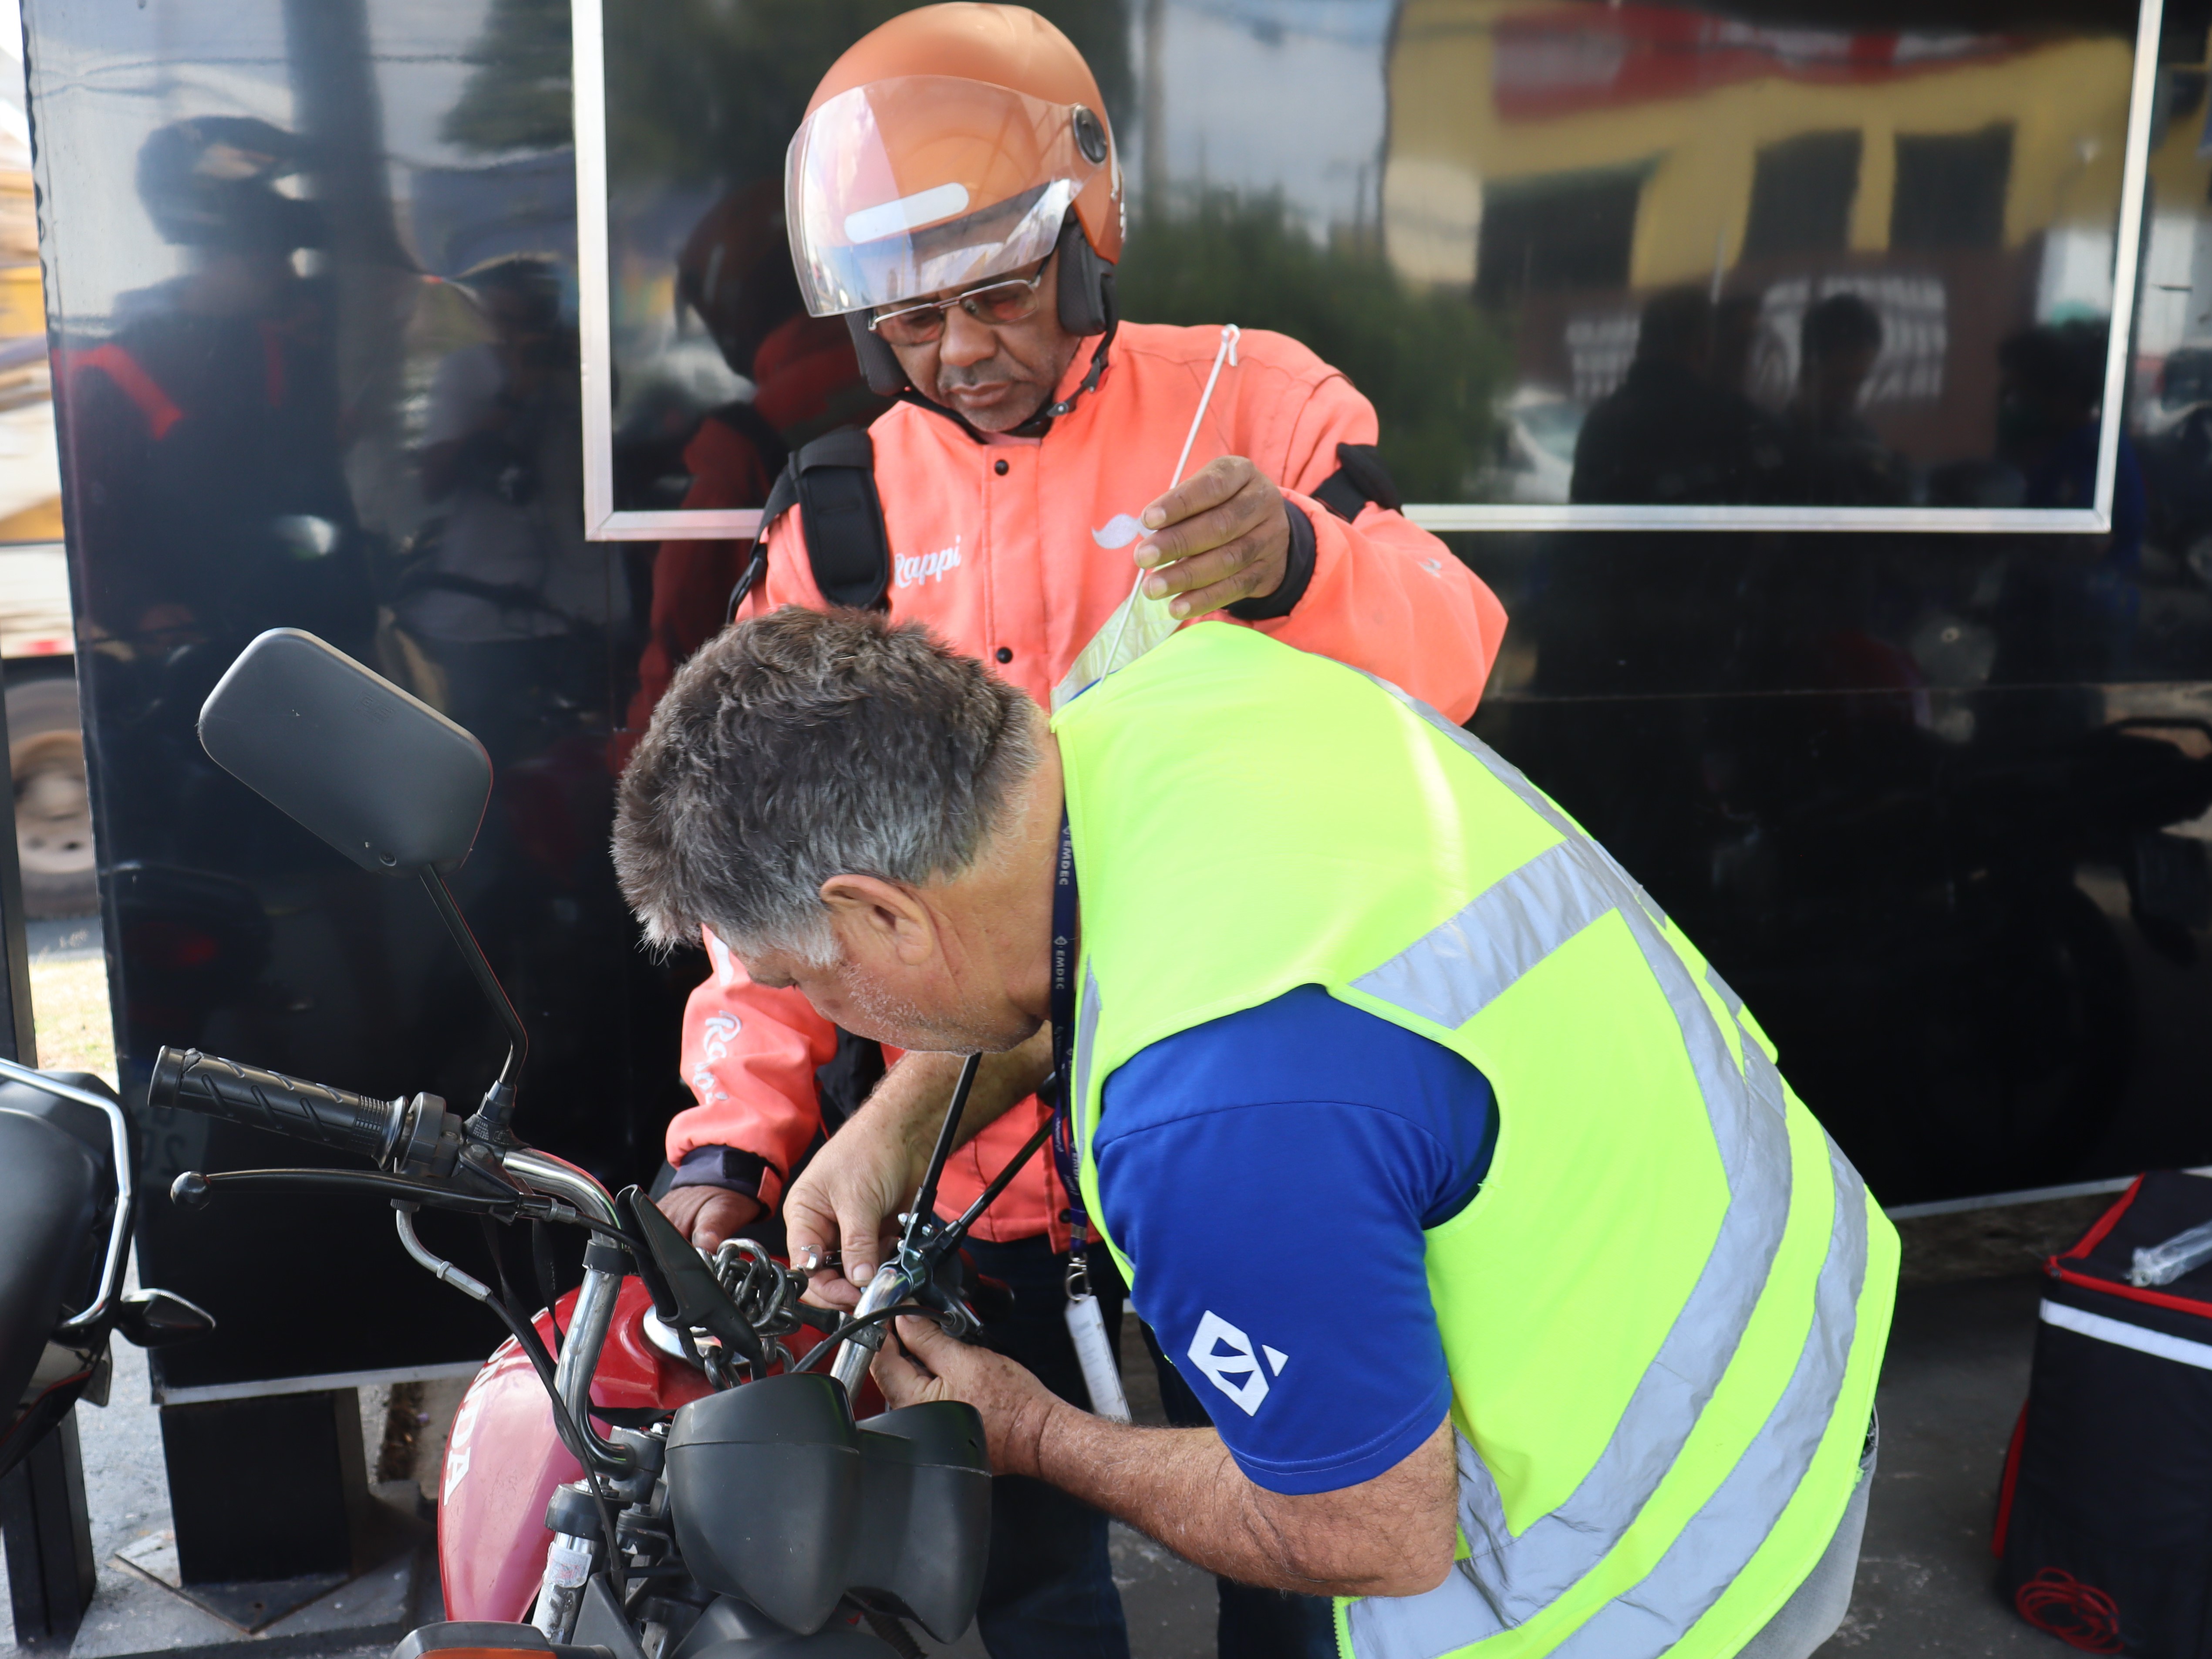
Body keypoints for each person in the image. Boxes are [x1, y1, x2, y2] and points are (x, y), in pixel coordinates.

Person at [650, 8, 1507, 1656]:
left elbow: (1454, 655)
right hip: (969, 1183)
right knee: (1025, 1568)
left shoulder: (1246, 406)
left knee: (1300, 1551)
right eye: (912, 317)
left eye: (997, 294)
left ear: (1086, 231)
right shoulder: (841, 511)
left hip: (1239, 1131)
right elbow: (763, 878)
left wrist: (1302, 566)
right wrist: (725, 1145)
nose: (961, 348)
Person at [613, 608, 1898, 1659]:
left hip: (1664, 1556)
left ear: (881, 913)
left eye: (810, 981)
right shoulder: (1175, 695)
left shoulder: (1212, 1123)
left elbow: (1372, 1533)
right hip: (1786, 1306)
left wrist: (1035, 1430)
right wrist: (893, 1128)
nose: (827, 1020)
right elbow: (1087, 938)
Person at [1570, 287, 1779, 505]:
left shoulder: (1602, 423)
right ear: (1705, 348)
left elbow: (1581, 513)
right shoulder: (1733, 424)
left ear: (1640, 347)